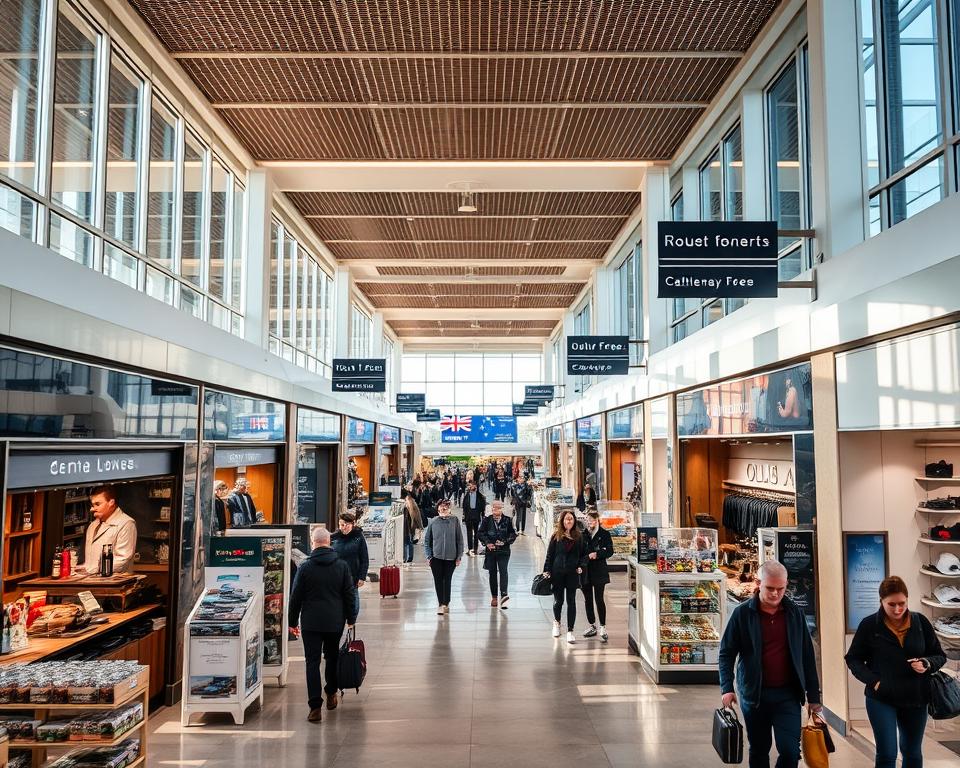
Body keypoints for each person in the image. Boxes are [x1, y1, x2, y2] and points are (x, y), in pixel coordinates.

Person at [718, 560, 822, 768]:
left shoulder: (794, 614)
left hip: (788, 695)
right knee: (759, 749)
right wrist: (727, 688)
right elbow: (726, 653)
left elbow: (807, 657)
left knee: (791, 752)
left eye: (780, 589)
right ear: (758, 583)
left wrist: (813, 697)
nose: (775, 594)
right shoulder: (742, 614)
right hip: (754, 695)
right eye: (770, 588)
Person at [845, 575, 946, 768]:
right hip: (881, 698)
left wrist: (926, 663)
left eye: (902, 603)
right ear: (881, 601)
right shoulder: (869, 625)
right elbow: (853, 659)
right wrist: (874, 681)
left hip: (916, 697)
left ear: (907, 600)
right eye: (892, 604)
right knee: (887, 753)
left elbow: (939, 655)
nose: (898, 609)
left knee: (912, 752)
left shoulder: (920, 622)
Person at [288, 526, 356, 723]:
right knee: (332, 657)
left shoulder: (305, 567)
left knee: (312, 662)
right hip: (335, 621)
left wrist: (292, 622)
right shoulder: (342, 566)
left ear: (313, 542)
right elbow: (349, 595)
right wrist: (351, 618)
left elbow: (296, 597)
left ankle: (315, 707)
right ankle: (331, 692)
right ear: (329, 542)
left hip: (311, 622)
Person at [542, 509, 588, 644]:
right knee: (558, 601)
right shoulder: (556, 536)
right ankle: (556, 623)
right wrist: (547, 570)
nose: (569, 521)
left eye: (571, 519)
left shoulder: (579, 537)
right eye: (566, 519)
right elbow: (550, 555)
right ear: (562, 521)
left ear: (574, 521)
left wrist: (581, 566)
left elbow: (584, 555)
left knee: (571, 601)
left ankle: (570, 630)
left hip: (572, 574)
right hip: (557, 573)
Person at [83, 486, 137, 574]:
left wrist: (94, 570)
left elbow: (122, 560)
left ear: (111, 502)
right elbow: (89, 562)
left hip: (114, 584)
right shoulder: (92, 526)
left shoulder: (127, 523)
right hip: (92, 581)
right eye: (92, 505)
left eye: (97, 504)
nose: (92, 509)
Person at [423, 500, 463, 615]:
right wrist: (429, 556)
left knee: (447, 580)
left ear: (449, 509)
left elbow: (459, 540)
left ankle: (446, 602)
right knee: (438, 580)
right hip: (436, 557)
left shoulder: (455, 521)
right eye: (440, 508)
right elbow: (427, 541)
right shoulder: (433, 522)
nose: (443, 510)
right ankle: (441, 603)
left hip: (451, 557)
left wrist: (459, 556)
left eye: (445, 508)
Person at [478, 500, 517, 609]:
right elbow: (480, 533)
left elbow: (513, 534)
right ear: (492, 509)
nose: (497, 510)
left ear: (502, 509)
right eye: (495, 508)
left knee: (503, 572)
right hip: (491, 552)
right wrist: (487, 543)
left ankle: (504, 596)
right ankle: (494, 596)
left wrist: (505, 541)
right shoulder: (487, 520)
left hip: (504, 551)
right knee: (492, 573)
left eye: (499, 508)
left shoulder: (507, 520)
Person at [330, 512, 369, 620]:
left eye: (347, 524)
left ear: (353, 524)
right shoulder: (334, 537)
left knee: (353, 599)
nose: (344, 527)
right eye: (342, 525)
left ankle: (352, 620)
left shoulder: (359, 537)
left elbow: (364, 558)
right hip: (336, 575)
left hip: (353, 575)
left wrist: (362, 576)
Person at [581, 510, 613, 642]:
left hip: (599, 571)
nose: (590, 523)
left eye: (593, 520)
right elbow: (579, 552)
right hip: (586, 571)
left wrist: (598, 554)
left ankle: (603, 626)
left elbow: (610, 551)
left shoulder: (604, 534)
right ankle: (592, 625)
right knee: (587, 599)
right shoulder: (583, 535)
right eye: (588, 520)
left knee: (599, 598)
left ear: (597, 520)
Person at [461, 480, 486, 556]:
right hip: (468, 516)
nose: (471, 487)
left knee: (476, 533)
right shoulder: (467, 495)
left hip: (476, 516)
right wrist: (464, 516)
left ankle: (475, 548)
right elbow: (464, 506)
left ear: (475, 486)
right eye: (470, 485)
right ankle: (470, 549)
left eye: (472, 485)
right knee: (469, 533)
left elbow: (482, 506)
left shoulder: (480, 496)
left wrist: (483, 515)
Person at [402, 494, 423, 565]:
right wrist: (420, 527)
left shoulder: (405, 508)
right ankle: (410, 558)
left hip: (406, 529)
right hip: (411, 528)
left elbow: (417, 518)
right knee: (409, 543)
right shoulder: (414, 507)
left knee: (405, 543)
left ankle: (404, 558)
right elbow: (418, 518)